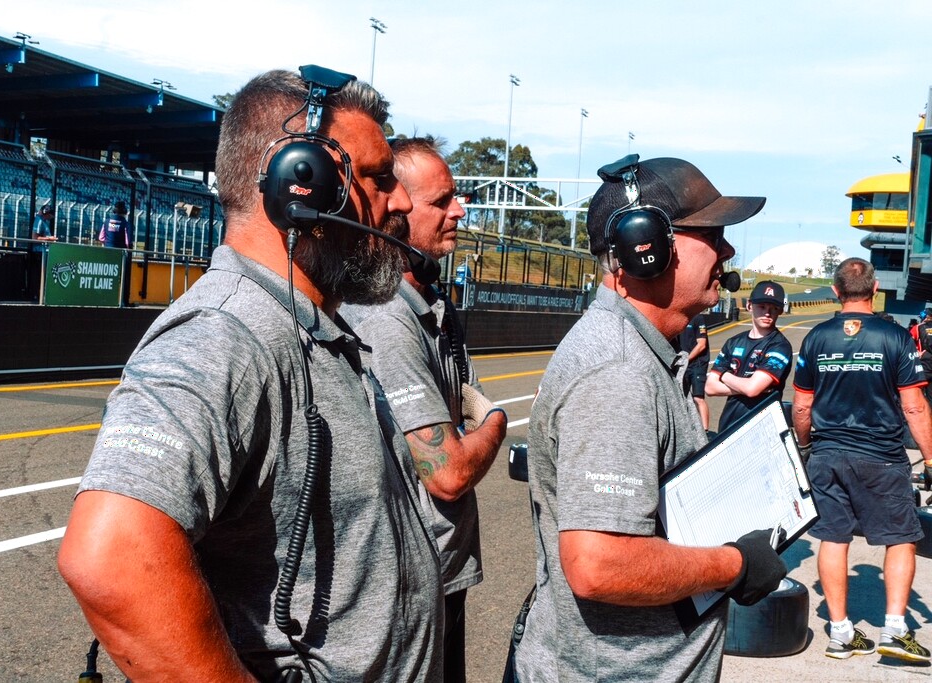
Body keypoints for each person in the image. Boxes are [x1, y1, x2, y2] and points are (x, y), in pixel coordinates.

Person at [57, 69, 444, 682]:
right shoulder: (226, 334)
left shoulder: (313, 326)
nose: (397, 202)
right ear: (304, 186)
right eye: (375, 178)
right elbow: (111, 556)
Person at [511, 156, 786, 682]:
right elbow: (599, 564)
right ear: (647, 248)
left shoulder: (652, 351)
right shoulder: (618, 373)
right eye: (712, 233)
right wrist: (736, 564)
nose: (727, 249)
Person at [341, 136, 507, 682]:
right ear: (398, 210)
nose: (460, 211)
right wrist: (497, 424)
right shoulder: (388, 318)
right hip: (412, 584)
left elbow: (466, 400)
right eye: (443, 201)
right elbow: (449, 472)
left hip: (444, 575)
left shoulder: (433, 304)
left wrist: (474, 423)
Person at [792, 257, 932, 663]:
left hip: (828, 454)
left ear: (835, 292)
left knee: (833, 539)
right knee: (901, 538)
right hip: (882, 457)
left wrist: (804, 447)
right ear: (874, 291)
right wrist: (930, 458)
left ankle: (839, 633)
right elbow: (915, 407)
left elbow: (802, 406)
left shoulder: (816, 338)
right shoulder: (895, 337)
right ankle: (893, 629)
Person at [705, 280, 792, 433]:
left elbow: (752, 389)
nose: (767, 313)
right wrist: (745, 386)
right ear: (749, 306)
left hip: (763, 429)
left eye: (774, 308)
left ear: (780, 311)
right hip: (728, 427)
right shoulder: (733, 342)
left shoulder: (780, 346)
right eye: (762, 306)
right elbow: (710, 388)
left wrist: (724, 375)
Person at [679, 312, 711, 430]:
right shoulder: (679, 318)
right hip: (683, 365)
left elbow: (702, 344)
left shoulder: (698, 318)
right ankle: (687, 428)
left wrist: (687, 359)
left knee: (698, 398)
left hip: (697, 364)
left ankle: (705, 429)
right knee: (682, 398)